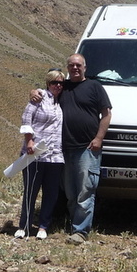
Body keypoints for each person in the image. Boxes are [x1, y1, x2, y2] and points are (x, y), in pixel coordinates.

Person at [33, 54, 112, 244]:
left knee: (85, 190)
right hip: (63, 148)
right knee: (70, 191)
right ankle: (73, 224)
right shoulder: (63, 87)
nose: (75, 68)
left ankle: (80, 231)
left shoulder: (95, 86)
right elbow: (45, 93)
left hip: (87, 148)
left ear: (85, 67)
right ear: (67, 68)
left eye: (78, 65)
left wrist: (99, 138)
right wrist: (33, 91)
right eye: (71, 65)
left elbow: (106, 113)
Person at [14, 69, 65, 240]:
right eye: (54, 82)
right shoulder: (39, 98)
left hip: (56, 155)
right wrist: (29, 141)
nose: (58, 85)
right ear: (47, 84)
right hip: (35, 153)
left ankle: (43, 226)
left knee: (51, 192)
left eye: (60, 83)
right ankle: (24, 225)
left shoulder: (62, 101)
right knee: (31, 190)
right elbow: (26, 119)